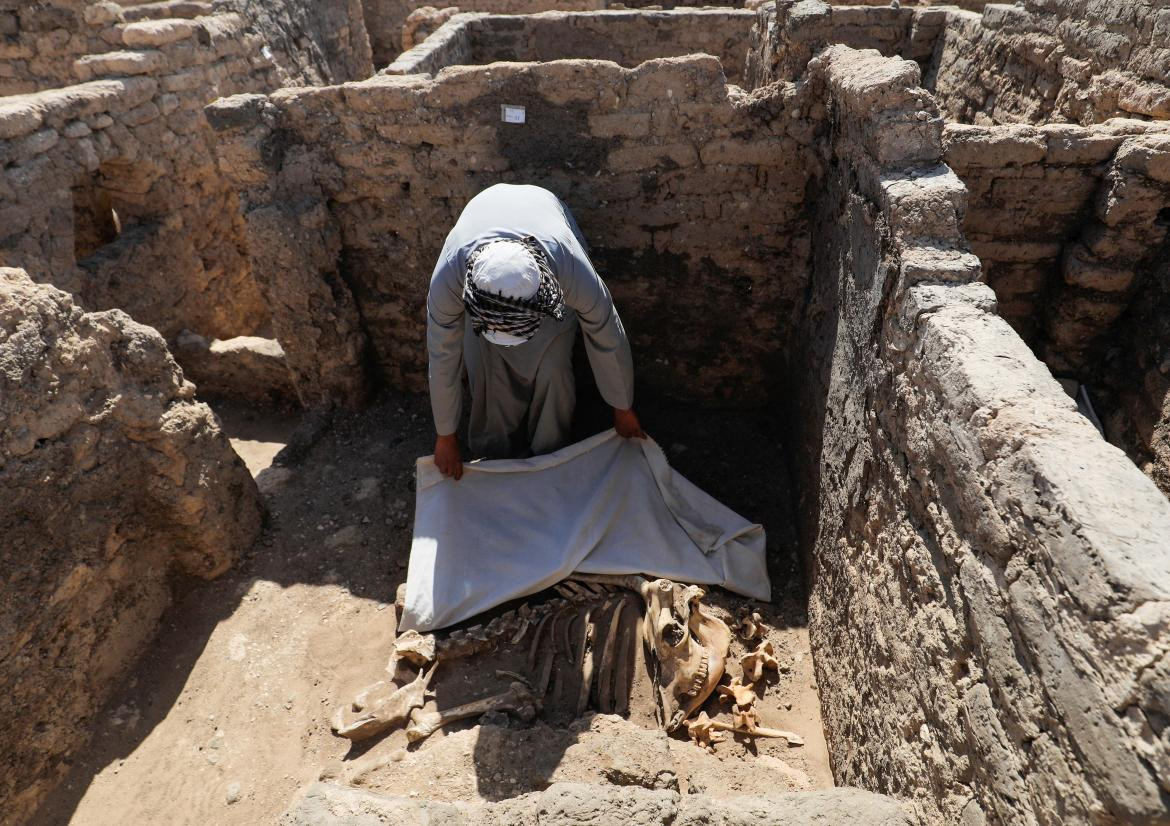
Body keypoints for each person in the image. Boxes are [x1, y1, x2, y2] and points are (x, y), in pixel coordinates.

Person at [427, 183, 644, 479]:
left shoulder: (570, 269)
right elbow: (443, 355)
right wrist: (446, 436)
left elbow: (606, 335)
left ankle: (550, 458)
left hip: (545, 258)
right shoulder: (450, 278)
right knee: (488, 376)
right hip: (488, 226)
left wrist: (622, 407)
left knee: (554, 371)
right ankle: (497, 456)